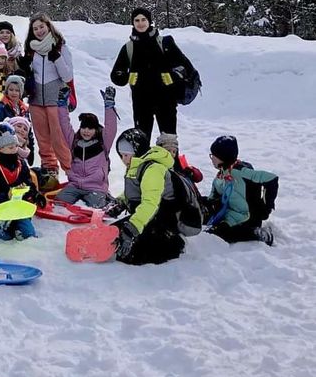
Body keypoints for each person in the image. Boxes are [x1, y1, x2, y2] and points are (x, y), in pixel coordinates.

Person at [110, 7, 196, 142]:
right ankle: (144, 157)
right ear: (132, 23)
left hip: (166, 100)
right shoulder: (128, 48)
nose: (140, 23)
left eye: (143, 19)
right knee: (141, 142)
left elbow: (187, 68)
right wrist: (127, 77)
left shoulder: (165, 43)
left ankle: (170, 157)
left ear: (149, 21)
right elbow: (116, 75)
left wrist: (173, 76)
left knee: (169, 142)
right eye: (137, 20)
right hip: (141, 102)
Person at [111, 128, 185, 265]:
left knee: (130, 256)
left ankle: (173, 243)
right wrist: (121, 202)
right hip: (149, 217)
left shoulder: (153, 170)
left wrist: (132, 228)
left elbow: (150, 203)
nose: (123, 159)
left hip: (163, 221)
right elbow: (136, 190)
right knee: (113, 234)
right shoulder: (137, 165)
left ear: (136, 151)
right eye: (121, 155)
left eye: (126, 155)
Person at [20, 14, 73, 179]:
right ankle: (50, 171)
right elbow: (28, 73)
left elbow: (68, 76)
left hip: (55, 99)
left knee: (60, 139)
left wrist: (57, 58)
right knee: (43, 139)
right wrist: (24, 68)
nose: (39, 31)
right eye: (35, 28)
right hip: (36, 99)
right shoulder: (31, 49)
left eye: (41, 27)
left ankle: (72, 171)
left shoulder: (61, 47)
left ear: (48, 26)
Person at [203, 135, 277, 245]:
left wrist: (266, 208)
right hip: (230, 214)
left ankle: (260, 234)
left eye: (214, 155)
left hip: (246, 218)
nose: (212, 158)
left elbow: (271, 179)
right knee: (209, 228)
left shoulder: (242, 172)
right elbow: (213, 197)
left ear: (223, 157)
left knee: (222, 234)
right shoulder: (221, 175)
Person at [56, 86, 117, 208]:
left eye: (90, 128)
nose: (86, 131)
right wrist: (62, 105)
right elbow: (64, 124)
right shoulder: (74, 141)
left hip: (95, 186)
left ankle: (106, 198)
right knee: (59, 202)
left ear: (96, 129)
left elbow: (111, 127)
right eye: (84, 127)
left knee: (98, 206)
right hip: (75, 185)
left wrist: (109, 105)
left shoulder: (103, 143)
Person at [0, 130, 37, 241]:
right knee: (4, 238)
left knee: (29, 234)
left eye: (16, 146)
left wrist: (29, 191)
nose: (15, 150)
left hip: (18, 208)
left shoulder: (21, 164)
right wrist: (6, 194)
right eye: (11, 148)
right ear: (0, 148)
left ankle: (17, 226)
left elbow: (29, 183)